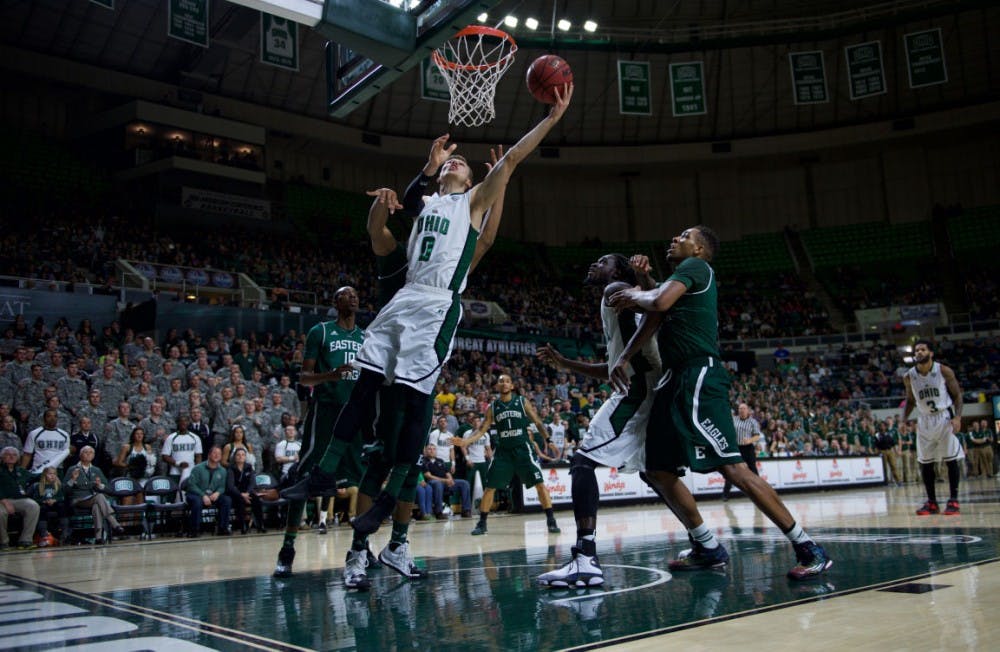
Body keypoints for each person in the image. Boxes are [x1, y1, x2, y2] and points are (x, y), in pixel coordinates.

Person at [281, 82, 574, 515]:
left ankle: (395, 500)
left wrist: (550, 119)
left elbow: (510, 162)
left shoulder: (472, 203)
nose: (456, 161)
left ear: (474, 181)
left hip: (438, 304)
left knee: (416, 398)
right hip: (404, 299)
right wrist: (428, 164)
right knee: (364, 381)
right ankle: (322, 472)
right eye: (450, 162)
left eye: (463, 163)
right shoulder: (428, 204)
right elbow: (400, 204)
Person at [608, 225, 831, 580]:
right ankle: (706, 546)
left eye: (683, 236)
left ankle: (808, 547)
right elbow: (658, 313)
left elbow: (660, 302)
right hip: (674, 379)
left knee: (734, 468)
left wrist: (636, 293)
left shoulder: (696, 269)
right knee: (657, 469)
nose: (674, 239)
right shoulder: (677, 279)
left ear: (699, 250)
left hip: (698, 375)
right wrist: (625, 353)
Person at [534, 253, 662, 587]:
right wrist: (566, 363)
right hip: (644, 385)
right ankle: (704, 541)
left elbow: (657, 314)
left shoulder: (616, 289)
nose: (594, 264)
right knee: (657, 475)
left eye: (603, 261)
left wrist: (626, 356)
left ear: (618, 271)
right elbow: (612, 369)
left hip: (639, 388)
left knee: (582, 462)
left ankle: (586, 558)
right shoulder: (613, 299)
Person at [272, 286, 367, 583]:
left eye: (355, 294)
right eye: (345, 294)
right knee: (305, 478)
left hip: (356, 414)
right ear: (335, 302)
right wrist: (330, 376)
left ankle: (362, 548)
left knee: (363, 483)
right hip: (326, 412)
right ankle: (287, 549)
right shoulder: (320, 332)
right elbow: (304, 376)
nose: (353, 297)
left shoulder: (366, 337)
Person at [453, 374, 561, 536]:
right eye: (501, 381)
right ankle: (482, 523)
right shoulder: (493, 407)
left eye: (507, 381)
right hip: (503, 451)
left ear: (512, 386)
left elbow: (537, 422)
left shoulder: (521, 401)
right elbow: (482, 429)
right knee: (490, 487)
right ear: (497, 386)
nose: (504, 383)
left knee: (540, 483)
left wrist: (548, 439)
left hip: (523, 448)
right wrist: (465, 442)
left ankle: (551, 520)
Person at [901, 339, 964, 515]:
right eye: (916, 350)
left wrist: (957, 417)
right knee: (925, 462)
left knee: (950, 459)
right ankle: (932, 502)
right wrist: (903, 419)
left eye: (922, 349)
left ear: (931, 353)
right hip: (924, 420)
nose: (919, 352)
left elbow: (958, 396)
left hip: (944, 417)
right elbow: (911, 401)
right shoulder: (909, 376)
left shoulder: (943, 370)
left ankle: (954, 500)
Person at [63, 445, 124, 543]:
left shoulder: (96, 470)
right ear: (80, 455)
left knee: (97, 505)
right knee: (99, 496)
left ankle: (98, 538)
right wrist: (73, 479)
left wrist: (100, 485)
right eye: (86, 452)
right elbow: (65, 489)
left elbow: (108, 488)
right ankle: (114, 523)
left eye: (91, 452)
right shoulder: (72, 469)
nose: (88, 454)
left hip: (92, 499)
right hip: (78, 499)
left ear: (94, 456)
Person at [184, 446, 232, 536]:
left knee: (226, 500)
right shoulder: (198, 468)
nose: (216, 455)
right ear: (209, 455)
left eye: (219, 454)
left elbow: (222, 486)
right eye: (214, 453)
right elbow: (191, 485)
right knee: (197, 502)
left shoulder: (223, 471)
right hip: (196, 494)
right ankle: (194, 530)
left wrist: (217, 493)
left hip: (212, 494)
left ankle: (223, 528)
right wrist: (203, 495)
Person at [0, 446, 40, 550]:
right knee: (1, 513)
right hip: (2, 500)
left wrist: (48, 472)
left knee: (33, 505)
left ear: (18, 458)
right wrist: (4, 501)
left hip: (19, 499)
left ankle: (25, 540)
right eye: (8, 454)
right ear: (2, 457)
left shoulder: (21, 471)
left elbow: (35, 476)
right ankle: (3, 542)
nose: (11, 457)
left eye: (14, 455)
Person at [722, 404, 763, 501]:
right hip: (736, 448)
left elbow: (757, 436)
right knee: (731, 470)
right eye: (740, 409)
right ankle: (725, 494)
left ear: (748, 410)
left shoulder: (753, 421)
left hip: (748, 448)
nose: (742, 410)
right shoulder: (733, 419)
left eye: (744, 408)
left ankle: (759, 492)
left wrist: (750, 440)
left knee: (753, 470)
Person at [226, 448, 265, 534]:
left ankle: (260, 525)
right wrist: (241, 495)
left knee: (256, 500)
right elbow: (230, 486)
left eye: (243, 455)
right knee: (240, 502)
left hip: (247, 492)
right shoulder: (231, 469)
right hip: (236, 493)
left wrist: (247, 493)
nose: (240, 457)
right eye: (238, 455)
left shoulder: (249, 467)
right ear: (235, 457)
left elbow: (252, 483)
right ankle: (243, 525)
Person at [21, 408, 71, 475]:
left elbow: (65, 454)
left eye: (55, 416)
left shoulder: (64, 435)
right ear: (44, 419)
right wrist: (22, 470)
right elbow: (27, 454)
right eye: (49, 416)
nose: (52, 418)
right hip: (39, 468)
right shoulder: (34, 433)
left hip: (57, 469)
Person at [32, 465, 68, 545]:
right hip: (44, 505)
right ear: (45, 475)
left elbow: (62, 497)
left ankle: (64, 533)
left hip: (55, 505)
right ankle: (43, 533)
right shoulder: (38, 486)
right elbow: (35, 499)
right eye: (50, 474)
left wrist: (55, 500)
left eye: (54, 474)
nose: (52, 476)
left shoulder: (58, 485)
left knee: (61, 506)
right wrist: (44, 501)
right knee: (42, 508)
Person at [161, 416, 203, 483]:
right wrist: (178, 464)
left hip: (190, 471)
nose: (183, 423)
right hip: (175, 472)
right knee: (175, 492)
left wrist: (197, 470)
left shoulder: (195, 437)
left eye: (185, 421)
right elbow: (164, 456)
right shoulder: (171, 437)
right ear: (177, 423)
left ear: (188, 423)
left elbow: (198, 456)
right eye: (181, 421)